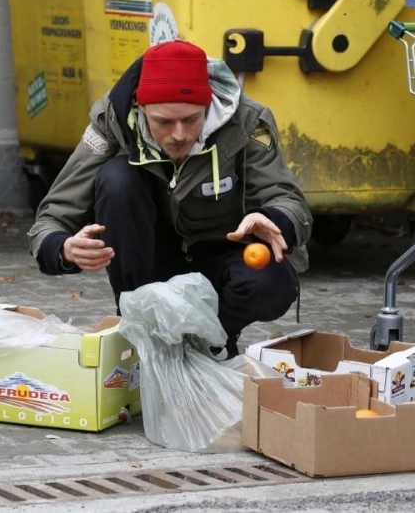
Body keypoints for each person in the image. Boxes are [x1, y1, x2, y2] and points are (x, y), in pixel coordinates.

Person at [28, 40, 312, 358]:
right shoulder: (111, 121)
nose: (179, 135)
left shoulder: (249, 122)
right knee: (117, 177)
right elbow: (52, 217)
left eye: (192, 119)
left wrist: (272, 218)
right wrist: (63, 248)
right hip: (150, 258)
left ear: (209, 105)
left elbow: (289, 200)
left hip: (224, 251)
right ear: (141, 108)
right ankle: (142, 333)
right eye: (164, 122)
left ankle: (211, 339)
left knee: (273, 284)